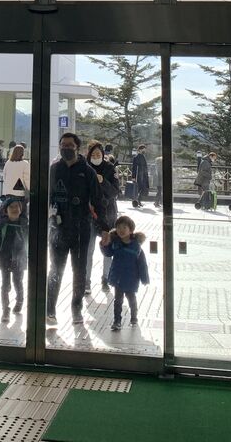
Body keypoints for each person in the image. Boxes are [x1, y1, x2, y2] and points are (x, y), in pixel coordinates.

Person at [47, 132, 108, 326]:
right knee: (55, 269)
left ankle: (76, 309)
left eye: (69, 145)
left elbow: (98, 201)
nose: (66, 148)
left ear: (77, 148)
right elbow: (47, 196)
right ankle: (49, 310)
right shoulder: (54, 169)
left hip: (81, 228)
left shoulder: (87, 171)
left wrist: (104, 228)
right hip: (58, 228)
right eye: (63, 145)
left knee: (79, 270)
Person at [100, 215, 149, 330]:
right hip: (118, 277)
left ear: (131, 230)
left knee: (131, 298)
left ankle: (134, 317)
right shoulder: (115, 243)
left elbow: (142, 264)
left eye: (124, 227)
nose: (121, 230)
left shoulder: (136, 246)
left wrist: (144, 278)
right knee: (118, 300)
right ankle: (117, 321)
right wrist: (104, 244)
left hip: (131, 278)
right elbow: (108, 253)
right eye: (118, 227)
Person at [84, 140, 120, 293]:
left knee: (107, 248)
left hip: (107, 214)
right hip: (89, 214)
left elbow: (115, 192)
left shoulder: (110, 169)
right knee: (88, 249)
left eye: (98, 154)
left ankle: (106, 278)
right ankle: (86, 281)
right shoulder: (84, 168)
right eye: (93, 154)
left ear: (103, 154)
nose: (96, 156)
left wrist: (103, 181)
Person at [0, 197, 28, 322]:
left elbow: (30, 244)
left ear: (21, 209)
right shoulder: (2, 227)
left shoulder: (24, 226)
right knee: (5, 285)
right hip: (4, 260)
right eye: (11, 207)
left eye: (17, 207)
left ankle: (19, 301)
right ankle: (5, 310)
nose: (15, 209)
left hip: (19, 260)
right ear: (6, 211)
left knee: (18, 282)